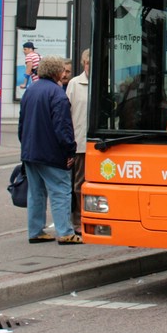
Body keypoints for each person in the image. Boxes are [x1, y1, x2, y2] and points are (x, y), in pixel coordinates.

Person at [18, 55, 82, 245]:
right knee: (61, 191)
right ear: (57, 72)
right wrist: (70, 151)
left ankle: (35, 231)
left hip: (30, 151)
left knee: (36, 193)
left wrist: (25, 147)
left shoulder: (30, 91)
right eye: (63, 70)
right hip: (51, 153)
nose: (64, 73)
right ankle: (65, 232)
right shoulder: (57, 94)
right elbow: (63, 128)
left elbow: (22, 125)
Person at [66, 49, 89, 235]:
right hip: (80, 142)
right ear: (83, 63)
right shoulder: (74, 84)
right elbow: (67, 114)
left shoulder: (104, 81)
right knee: (79, 183)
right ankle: (79, 219)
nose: (89, 66)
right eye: (87, 62)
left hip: (99, 143)